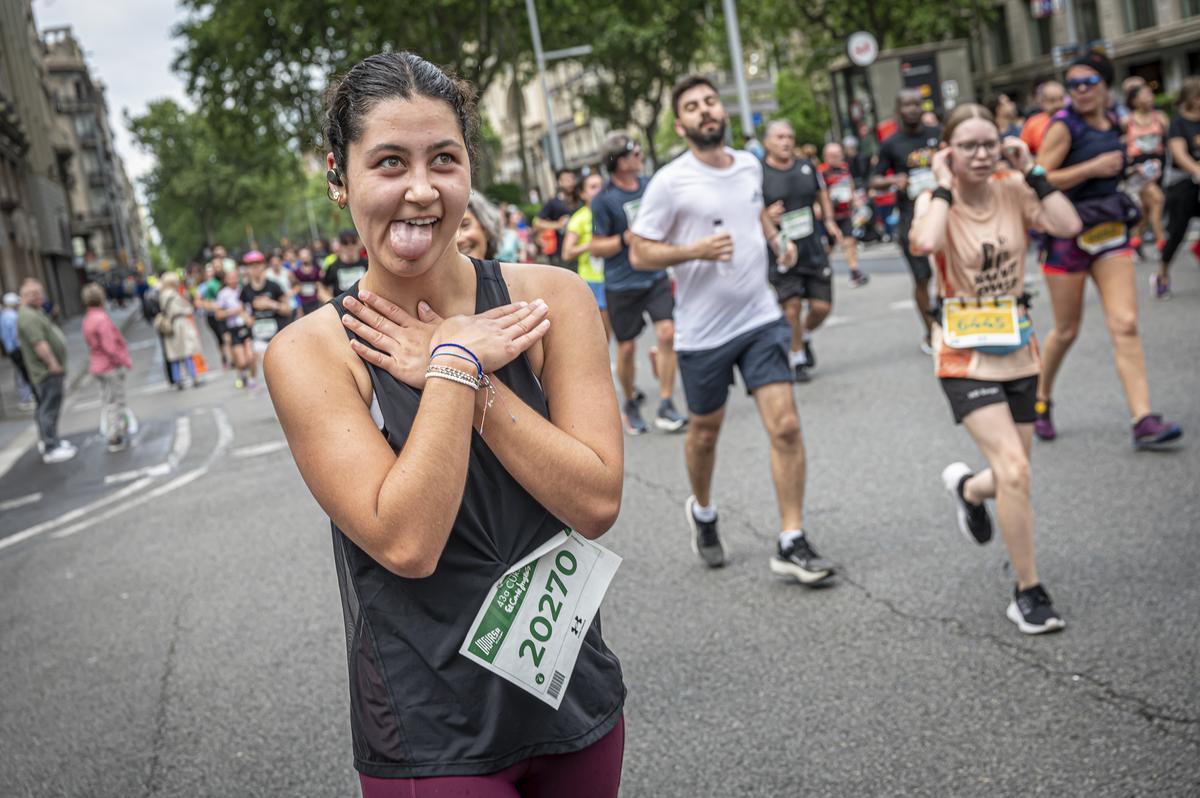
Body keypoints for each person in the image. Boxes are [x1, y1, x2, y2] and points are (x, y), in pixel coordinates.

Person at [263, 51, 626, 796]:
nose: (422, 190)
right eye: (389, 162)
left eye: (445, 160)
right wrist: (460, 358)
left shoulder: (550, 299)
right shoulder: (308, 353)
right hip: (430, 730)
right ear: (339, 177)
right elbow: (407, 541)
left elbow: (594, 502)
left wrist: (468, 379)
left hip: (575, 699)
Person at [629, 74, 836, 585]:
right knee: (705, 433)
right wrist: (693, 250)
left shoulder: (749, 165)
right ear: (681, 125)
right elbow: (640, 250)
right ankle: (702, 509)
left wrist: (777, 241)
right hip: (703, 333)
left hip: (760, 317)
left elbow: (755, 216)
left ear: (723, 111)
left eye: (711, 101)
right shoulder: (670, 182)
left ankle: (791, 539)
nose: (705, 111)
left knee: (785, 425)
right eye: (694, 106)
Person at [910, 104, 1081, 634]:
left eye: (990, 143)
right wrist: (941, 185)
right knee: (1015, 470)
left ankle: (967, 491)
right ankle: (1027, 591)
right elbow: (926, 243)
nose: (982, 155)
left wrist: (1032, 170)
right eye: (968, 146)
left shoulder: (1014, 187)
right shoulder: (935, 199)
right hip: (963, 351)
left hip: (1017, 346)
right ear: (949, 152)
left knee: (1013, 474)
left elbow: (1068, 225)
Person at [1035, 52, 1182, 449]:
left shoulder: (1116, 121)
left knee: (1126, 324)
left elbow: (1115, 168)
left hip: (1110, 231)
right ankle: (1041, 399)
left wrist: (1129, 172)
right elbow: (1038, 176)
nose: (1080, 91)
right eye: (1073, 85)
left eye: (1088, 82)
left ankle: (1143, 419)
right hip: (1067, 236)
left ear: (1105, 85)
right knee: (1066, 330)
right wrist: (1090, 168)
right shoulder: (1063, 127)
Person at [591, 132, 687, 434]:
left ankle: (667, 403)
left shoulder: (650, 188)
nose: (641, 157)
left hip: (655, 274)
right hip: (622, 283)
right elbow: (596, 247)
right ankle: (630, 400)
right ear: (620, 161)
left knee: (668, 333)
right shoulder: (604, 200)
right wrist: (624, 239)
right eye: (635, 153)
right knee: (628, 348)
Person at [761, 120, 841, 383]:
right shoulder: (759, 174)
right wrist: (766, 216)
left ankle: (804, 335)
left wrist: (829, 221)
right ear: (767, 143)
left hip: (812, 247)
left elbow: (822, 194)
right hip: (782, 251)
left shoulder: (807, 167)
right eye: (780, 137)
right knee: (791, 307)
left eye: (789, 137)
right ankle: (796, 359)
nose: (786, 142)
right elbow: (749, 209)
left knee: (821, 307)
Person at [873, 89, 943, 353]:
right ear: (899, 110)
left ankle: (956, 325)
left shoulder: (937, 135)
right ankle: (931, 330)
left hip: (945, 214)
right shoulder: (891, 144)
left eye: (917, 104)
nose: (913, 109)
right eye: (907, 105)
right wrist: (893, 180)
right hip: (912, 220)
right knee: (922, 277)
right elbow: (874, 180)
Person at [17, 279, 75, 463]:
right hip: (45, 372)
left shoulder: (34, 313)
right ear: (30, 296)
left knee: (46, 408)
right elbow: (38, 343)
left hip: (45, 371)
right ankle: (51, 446)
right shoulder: (28, 316)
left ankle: (50, 440)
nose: (42, 297)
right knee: (49, 408)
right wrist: (52, 363)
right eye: (38, 294)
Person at [1158, 76, 1200, 297]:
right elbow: (1179, 154)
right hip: (1183, 185)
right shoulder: (1178, 123)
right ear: (1193, 99)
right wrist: (1196, 170)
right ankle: (1162, 273)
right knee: (1177, 233)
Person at [81, 282, 134, 450]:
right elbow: (110, 346)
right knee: (116, 401)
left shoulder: (88, 318)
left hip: (97, 365)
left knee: (107, 400)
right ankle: (115, 436)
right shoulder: (101, 318)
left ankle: (117, 431)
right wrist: (124, 360)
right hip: (109, 366)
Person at [562, 172, 611, 341]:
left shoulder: (610, 211)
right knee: (605, 333)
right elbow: (567, 252)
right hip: (593, 280)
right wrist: (590, 245)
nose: (599, 190)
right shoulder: (579, 218)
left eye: (601, 186)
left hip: (615, 276)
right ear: (583, 194)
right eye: (593, 187)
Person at [1122, 82, 1169, 261]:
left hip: (1158, 167)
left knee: (1147, 211)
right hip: (1139, 169)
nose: (1149, 98)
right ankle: (1162, 241)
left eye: (1150, 94)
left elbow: (1168, 142)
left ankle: (1135, 239)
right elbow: (1121, 143)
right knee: (1158, 200)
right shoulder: (1127, 121)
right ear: (1134, 100)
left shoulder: (1162, 117)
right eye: (1144, 94)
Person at [819, 141, 870, 288]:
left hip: (845, 213)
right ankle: (823, 270)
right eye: (833, 155)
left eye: (839, 154)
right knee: (828, 246)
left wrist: (855, 199)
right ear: (826, 156)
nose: (837, 158)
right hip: (828, 216)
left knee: (850, 242)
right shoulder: (821, 172)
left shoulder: (844, 169)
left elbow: (850, 185)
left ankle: (854, 272)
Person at [240, 250, 290, 381]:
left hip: (277, 333)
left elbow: (287, 309)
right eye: (251, 265)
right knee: (265, 363)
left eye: (257, 264)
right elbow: (241, 309)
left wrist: (271, 304)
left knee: (279, 366)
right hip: (259, 335)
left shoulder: (274, 286)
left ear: (263, 265)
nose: (254, 268)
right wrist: (246, 318)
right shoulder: (245, 290)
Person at [157, 272, 203, 389]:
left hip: (171, 325)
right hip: (179, 324)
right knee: (187, 351)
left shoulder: (163, 294)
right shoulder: (172, 294)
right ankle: (194, 376)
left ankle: (178, 378)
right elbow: (185, 308)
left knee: (175, 355)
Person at [215, 268, 254, 388]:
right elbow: (218, 314)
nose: (233, 280)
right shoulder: (223, 294)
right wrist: (233, 312)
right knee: (241, 360)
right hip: (233, 328)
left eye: (235, 277)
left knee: (250, 356)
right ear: (226, 280)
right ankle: (240, 374)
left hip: (245, 326)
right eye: (230, 278)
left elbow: (250, 306)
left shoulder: (244, 289)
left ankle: (251, 378)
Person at [535, 168, 580, 268]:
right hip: (561, 252)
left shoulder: (580, 199)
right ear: (559, 182)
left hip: (581, 249)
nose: (570, 182)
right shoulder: (554, 202)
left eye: (572, 179)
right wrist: (557, 225)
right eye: (566, 179)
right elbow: (537, 222)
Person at [2, 292, 36, 411]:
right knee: (24, 372)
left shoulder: (3, 316)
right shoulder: (13, 316)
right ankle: (26, 397)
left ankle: (25, 396)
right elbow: (16, 335)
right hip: (17, 348)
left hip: (10, 349)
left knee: (20, 372)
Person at [1021, 81, 1066, 156]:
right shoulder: (1033, 123)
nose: (1058, 104)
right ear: (1042, 102)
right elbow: (1023, 151)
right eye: (1052, 100)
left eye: (1061, 99)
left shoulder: (1075, 118)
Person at [457, 190, 502, 260]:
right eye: (448, 232)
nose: (459, 240)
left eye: (465, 225)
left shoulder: (511, 270)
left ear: (485, 228)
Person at [324, 229, 369, 295]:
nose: (349, 246)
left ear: (359, 243)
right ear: (340, 245)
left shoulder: (368, 264)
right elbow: (322, 287)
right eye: (345, 242)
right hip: (341, 304)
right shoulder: (333, 267)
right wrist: (330, 302)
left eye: (353, 242)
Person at [292, 246, 328, 315]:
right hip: (302, 302)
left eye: (306, 256)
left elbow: (320, 285)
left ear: (310, 257)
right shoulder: (296, 272)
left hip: (316, 301)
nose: (305, 258)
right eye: (303, 256)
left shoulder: (316, 270)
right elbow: (294, 287)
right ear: (299, 258)